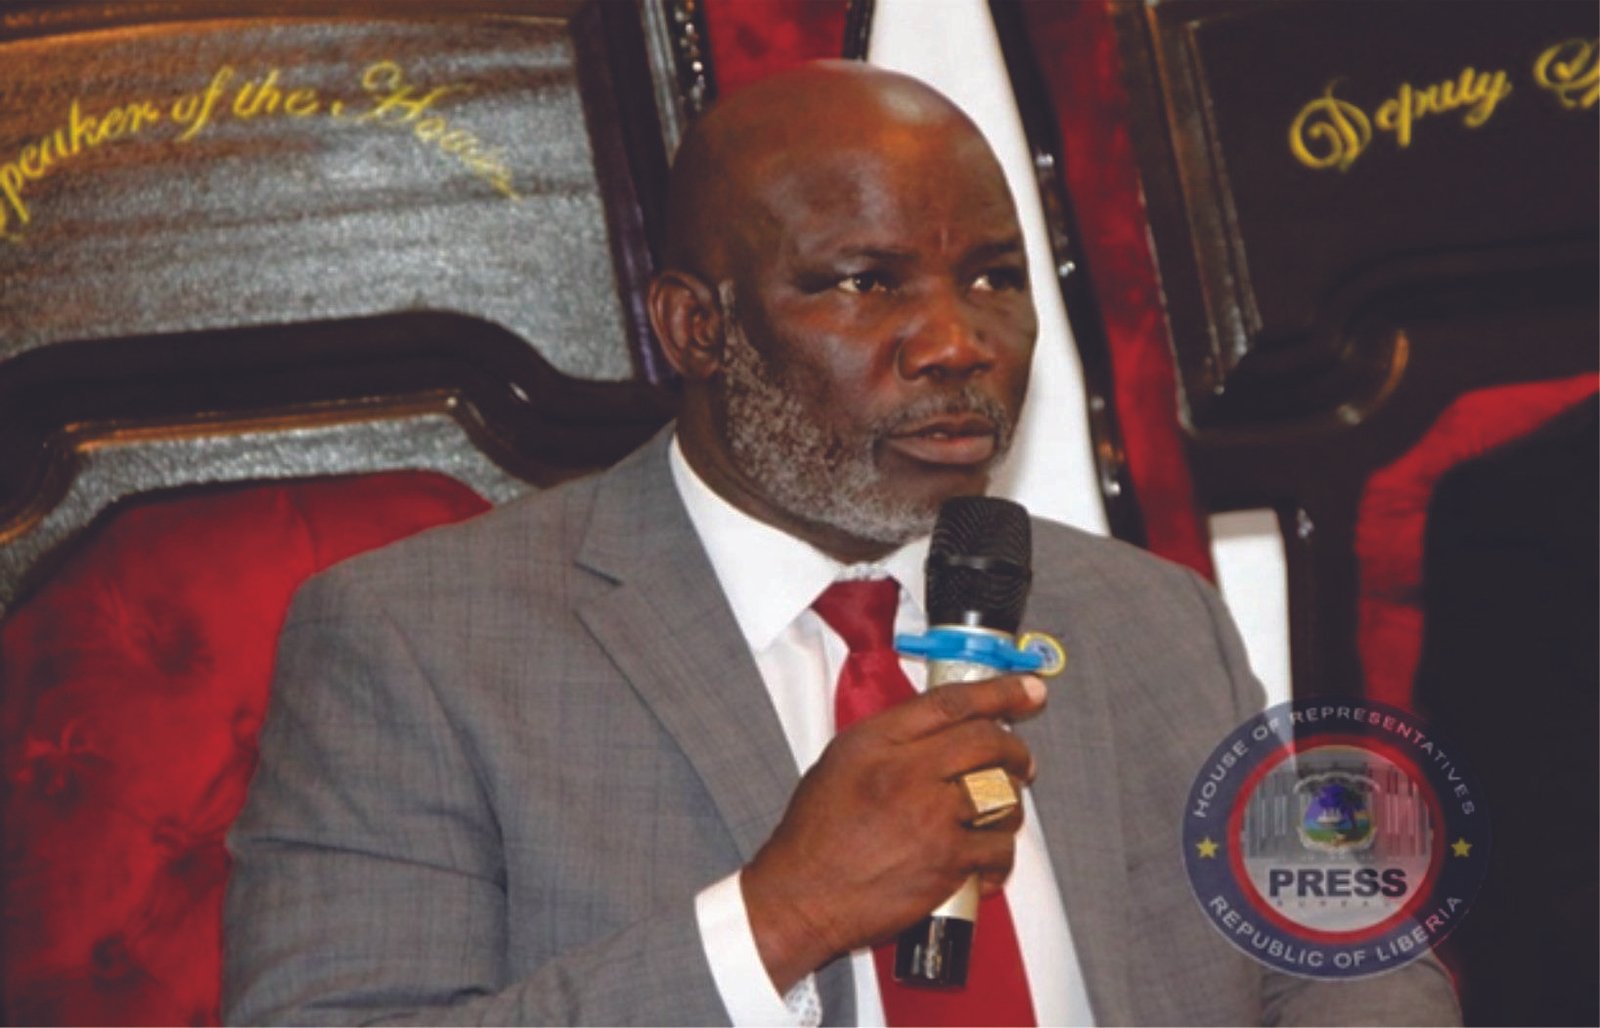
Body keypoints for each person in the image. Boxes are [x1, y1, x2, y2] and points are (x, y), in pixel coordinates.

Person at [222, 61, 1460, 1025]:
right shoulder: (419, 643)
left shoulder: (1146, 614)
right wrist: (780, 915)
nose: (957, 342)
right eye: (864, 282)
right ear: (697, 328)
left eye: (993, 278)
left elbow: (1352, 964)